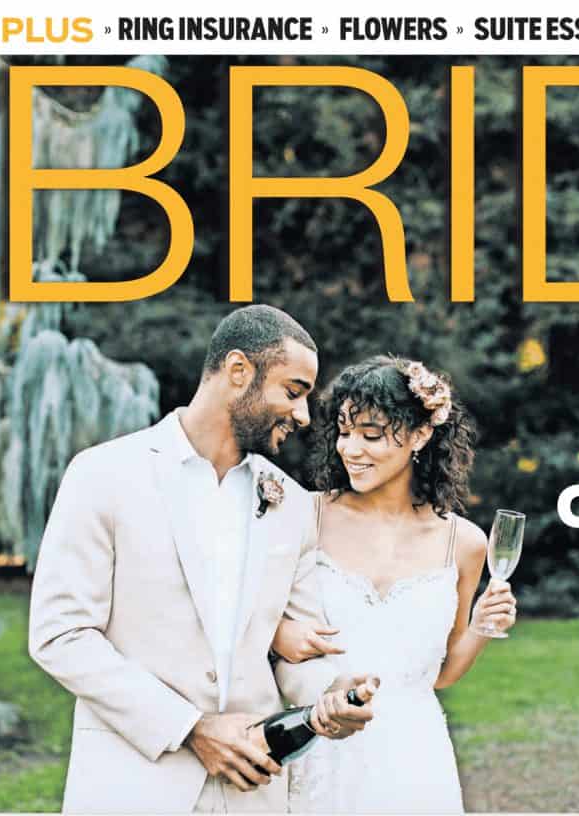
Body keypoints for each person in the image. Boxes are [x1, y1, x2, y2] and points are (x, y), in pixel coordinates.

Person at [28, 305, 375, 814]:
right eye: (293, 391)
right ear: (239, 372)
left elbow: (295, 650)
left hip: (253, 789)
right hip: (132, 784)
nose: (303, 416)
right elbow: (61, 635)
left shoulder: (293, 504)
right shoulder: (103, 474)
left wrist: (332, 696)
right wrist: (191, 728)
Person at [271, 355, 519, 813]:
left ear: (421, 435)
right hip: (322, 749)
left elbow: (440, 675)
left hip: (415, 760)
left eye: (371, 435)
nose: (351, 449)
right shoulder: (306, 516)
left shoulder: (463, 543)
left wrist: (483, 627)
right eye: (344, 433)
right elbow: (256, 623)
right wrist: (280, 637)